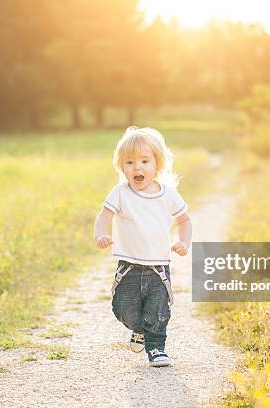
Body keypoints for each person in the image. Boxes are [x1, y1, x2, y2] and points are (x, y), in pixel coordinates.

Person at [93, 126, 192, 367]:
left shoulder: (168, 194)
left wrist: (183, 241)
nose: (137, 167)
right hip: (129, 265)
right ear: (121, 167)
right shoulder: (120, 193)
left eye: (145, 161)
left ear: (156, 164)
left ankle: (156, 348)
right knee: (123, 308)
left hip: (158, 266)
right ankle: (138, 329)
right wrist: (101, 235)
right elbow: (103, 216)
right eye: (130, 162)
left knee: (159, 310)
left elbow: (184, 220)